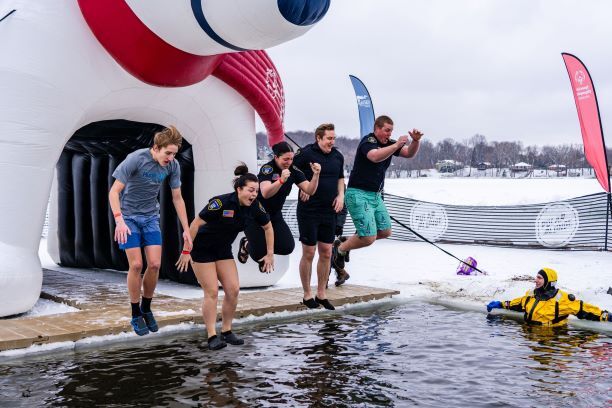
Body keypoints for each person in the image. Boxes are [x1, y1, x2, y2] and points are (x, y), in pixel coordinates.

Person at [176, 164, 274, 350]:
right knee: (212, 291)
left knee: (233, 289)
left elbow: (268, 227)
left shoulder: (255, 207)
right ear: (239, 189)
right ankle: (211, 335)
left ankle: (227, 331)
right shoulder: (221, 203)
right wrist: (186, 251)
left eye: (257, 191)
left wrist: (270, 254)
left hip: (223, 250)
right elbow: (195, 224)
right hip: (202, 249)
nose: (254, 195)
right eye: (250, 190)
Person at [109, 125, 192, 336]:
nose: (171, 158)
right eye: (168, 153)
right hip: (128, 218)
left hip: (150, 218)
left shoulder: (173, 166)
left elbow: (177, 198)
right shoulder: (136, 159)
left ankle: (147, 307)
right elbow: (114, 192)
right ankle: (135, 312)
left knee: (154, 264)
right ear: (156, 147)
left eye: (174, 153)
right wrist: (119, 220)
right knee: (136, 264)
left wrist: (186, 229)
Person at [332, 115, 423, 273]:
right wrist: (396, 146)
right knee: (368, 238)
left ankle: (345, 242)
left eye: (391, 131)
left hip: (375, 195)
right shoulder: (368, 141)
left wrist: (415, 141)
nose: (389, 134)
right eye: (387, 130)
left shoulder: (390, 144)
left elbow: (409, 153)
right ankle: (340, 249)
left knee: (385, 231)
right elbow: (374, 156)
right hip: (358, 193)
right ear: (377, 129)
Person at [238, 141, 320, 270]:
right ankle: (247, 244)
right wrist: (281, 181)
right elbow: (265, 193)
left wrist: (316, 175)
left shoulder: (293, 169)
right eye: (285, 159)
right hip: (256, 214)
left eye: (291, 159)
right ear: (276, 157)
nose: (289, 162)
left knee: (287, 247)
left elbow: (310, 190)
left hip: (274, 214)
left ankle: (254, 243)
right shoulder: (267, 168)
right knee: (259, 253)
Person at [293, 123, 345, 310]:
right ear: (319, 138)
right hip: (309, 210)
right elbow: (292, 171)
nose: (332, 141)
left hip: (329, 210)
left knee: (326, 252)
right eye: (329, 138)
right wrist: (303, 187)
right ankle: (307, 295)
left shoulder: (337, 156)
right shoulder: (306, 154)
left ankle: (321, 293)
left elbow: (340, 178)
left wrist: (341, 195)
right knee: (309, 252)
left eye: (334, 138)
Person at [487, 268, 611, 326]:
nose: (536, 280)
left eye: (539, 278)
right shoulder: (532, 295)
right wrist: (501, 304)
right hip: (529, 335)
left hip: (551, 338)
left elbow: (583, 308)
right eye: (536, 277)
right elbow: (518, 304)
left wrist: (604, 315)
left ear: (549, 281)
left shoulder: (562, 299)